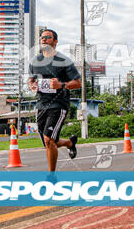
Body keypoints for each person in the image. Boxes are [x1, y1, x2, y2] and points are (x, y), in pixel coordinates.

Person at [29, 29, 81, 172]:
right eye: (42, 37)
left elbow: (78, 83)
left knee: (49, 140)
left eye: (48, 37)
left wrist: (61, 85)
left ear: (55, 41)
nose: (44, 39)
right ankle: (70, 143)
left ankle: (51, 176)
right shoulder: (35, 61)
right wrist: (32, 85)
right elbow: (31, 80)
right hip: (41, 104)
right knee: (48, 142)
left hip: (59, 104)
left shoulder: (64, 61)